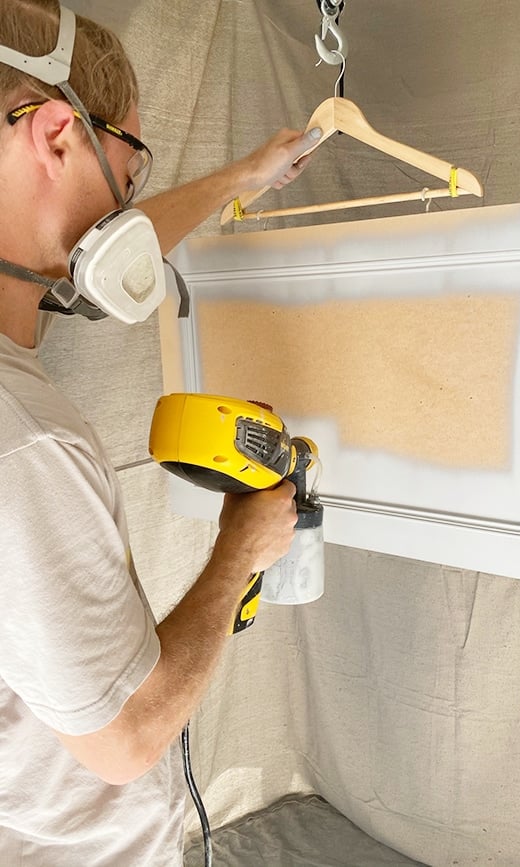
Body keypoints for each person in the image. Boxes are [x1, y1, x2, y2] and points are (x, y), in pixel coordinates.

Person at [0, 1, 321, 863]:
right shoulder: (22, 438)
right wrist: (238, 552)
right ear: (60, 134)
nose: (129, 208)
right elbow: (127, 738)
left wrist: (242, 178)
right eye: (129, 170)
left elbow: (95, 272)